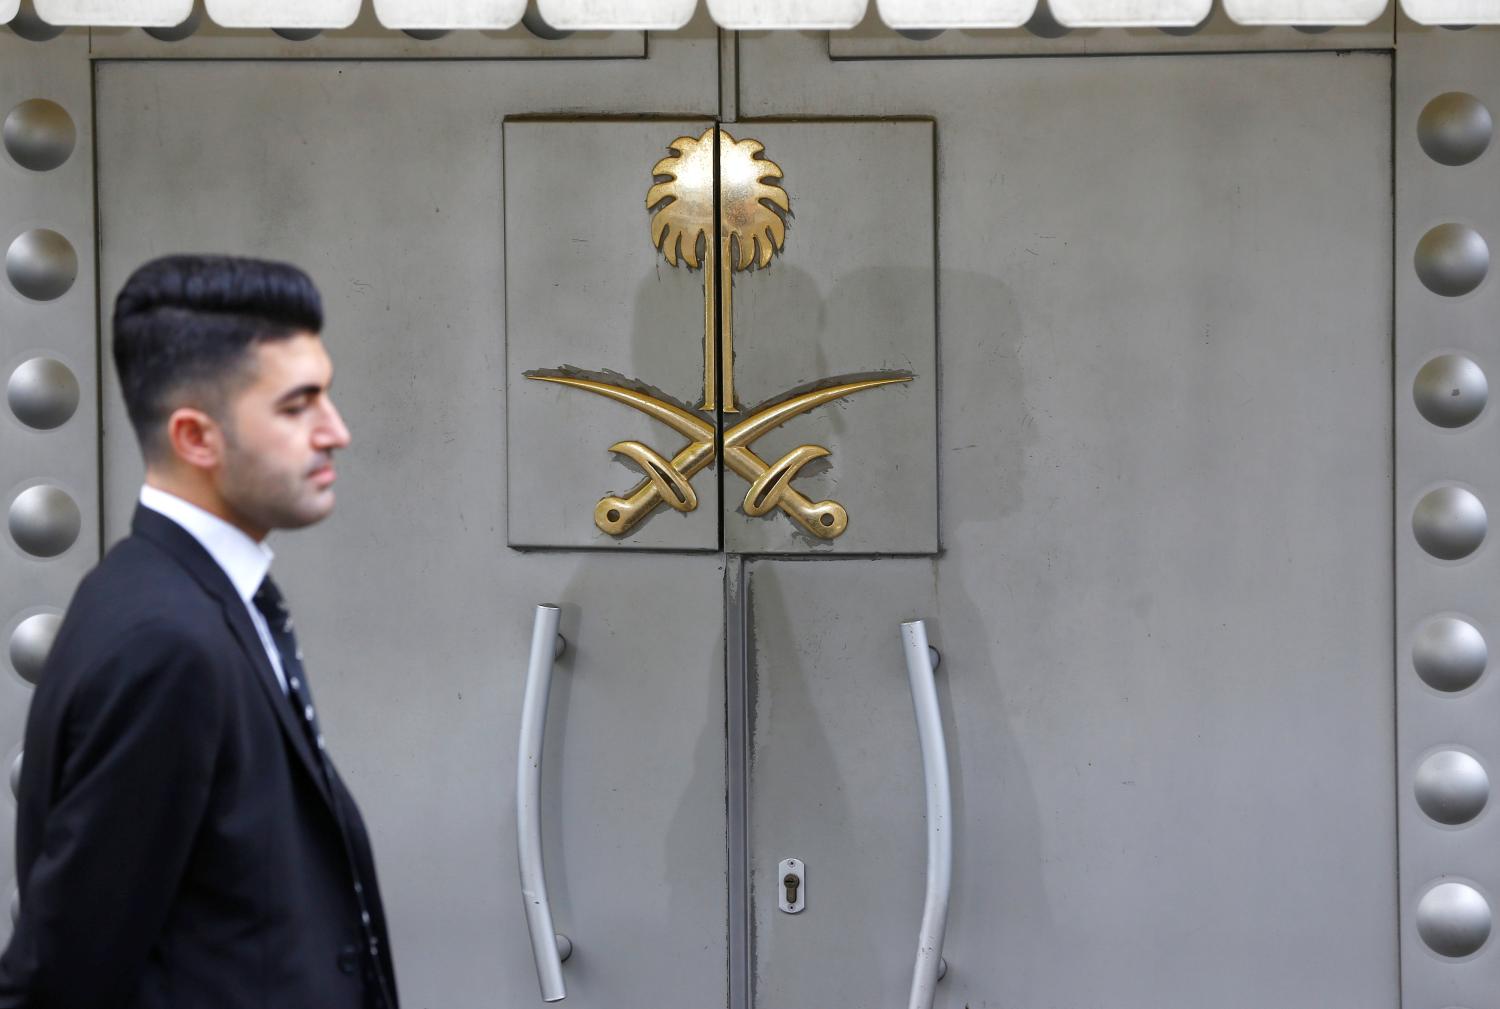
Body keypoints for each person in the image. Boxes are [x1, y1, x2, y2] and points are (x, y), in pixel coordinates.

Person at [0, 255, 398, 1009]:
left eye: (328, 395)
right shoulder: (165, 640)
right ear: (195, 436)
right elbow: (61, 975)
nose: (336, 431)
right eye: (298, 405)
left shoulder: (179, 594)